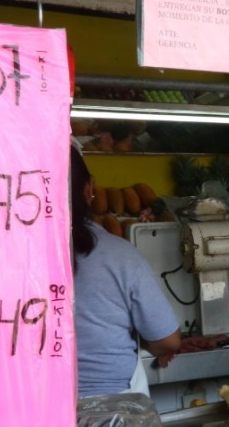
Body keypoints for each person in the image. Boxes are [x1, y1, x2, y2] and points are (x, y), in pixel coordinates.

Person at [71, 147, 180, 397]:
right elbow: (168, 341)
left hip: (35, 408)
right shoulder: (120, 255)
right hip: (115, 405)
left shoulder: (10, 258)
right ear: (89, 189)